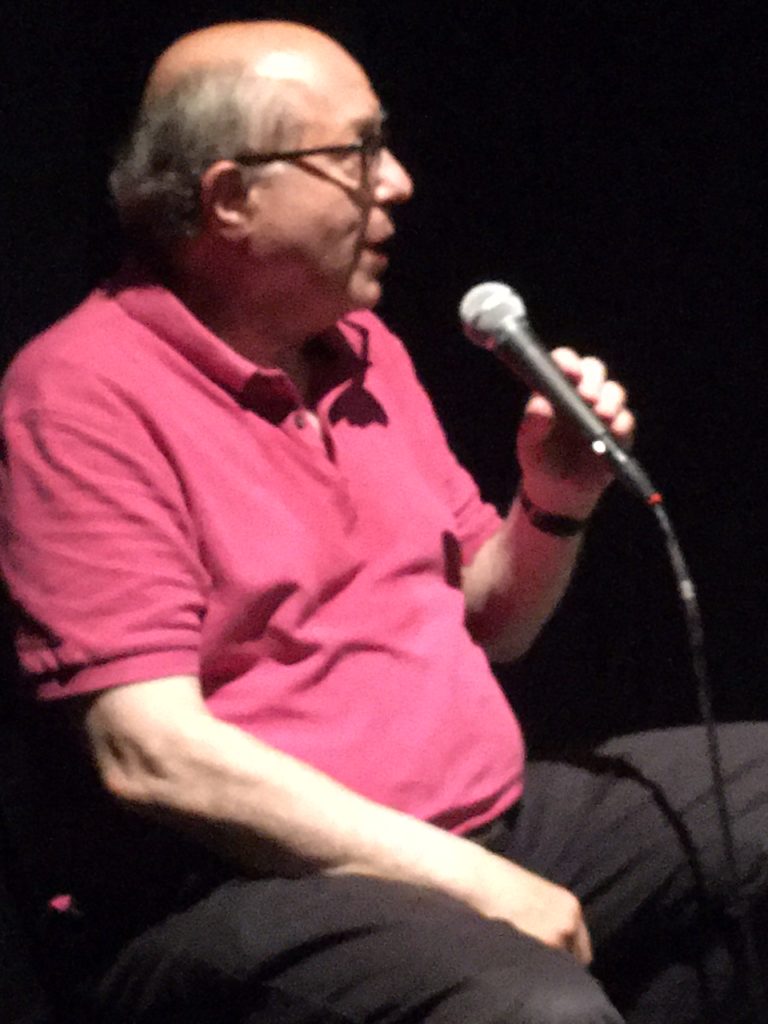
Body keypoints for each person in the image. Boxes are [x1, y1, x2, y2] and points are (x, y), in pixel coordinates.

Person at [1, 19, 767, 1024]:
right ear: (231, 197)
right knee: (529, 1009)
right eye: (358, 153)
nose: (397, 182)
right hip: (247, 888)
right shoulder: (80, 394)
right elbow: (150, 754)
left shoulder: (365, 350)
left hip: (483, 824)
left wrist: (554, 498)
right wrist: (471, 883)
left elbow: (492, 620)